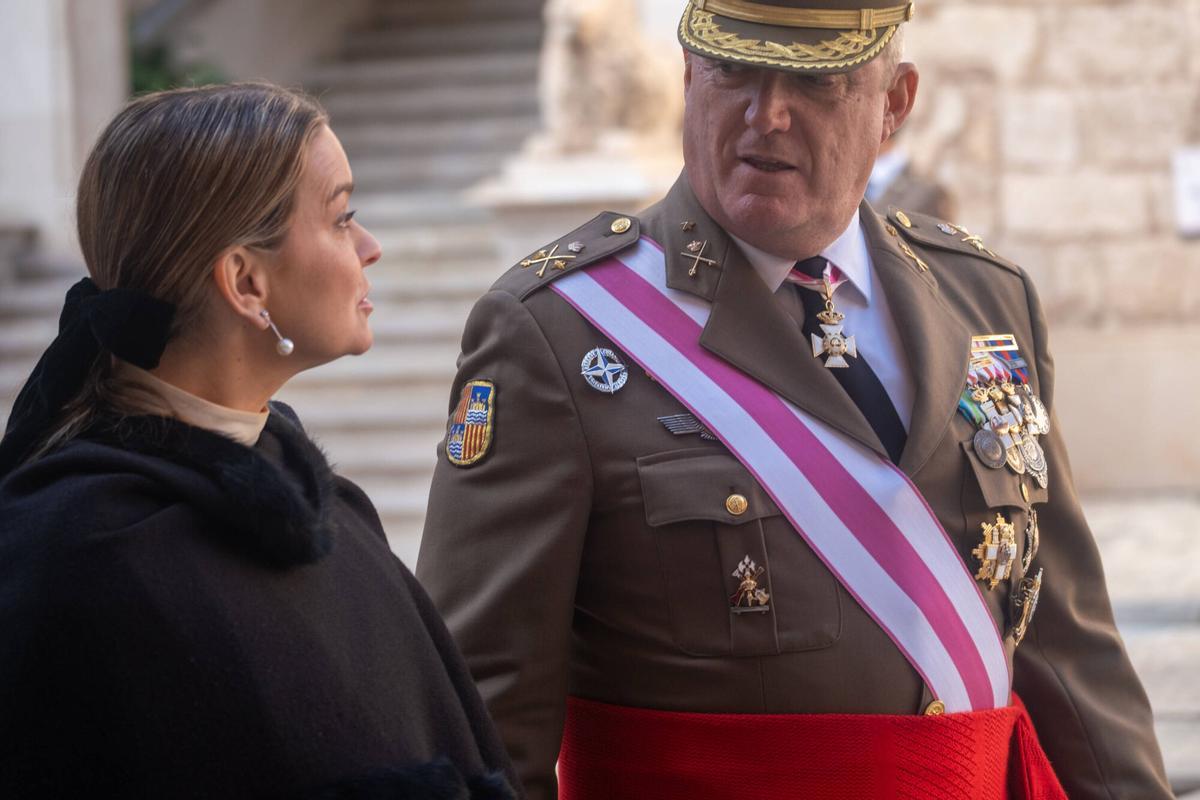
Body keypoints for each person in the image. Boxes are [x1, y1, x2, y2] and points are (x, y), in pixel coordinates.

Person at [417, 2, 1173, 798]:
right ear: (687, 78)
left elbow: (1069, 658)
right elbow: (479, 715)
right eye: (734, 70)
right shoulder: (560, 333)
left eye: (816, 83)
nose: (766, 115)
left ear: (895, 104)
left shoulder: (985, 301)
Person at [0, 83, 517, 799]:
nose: (370, 249)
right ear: (246, 280)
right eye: (343, 219)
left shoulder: (330, 513)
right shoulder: (74, 556)